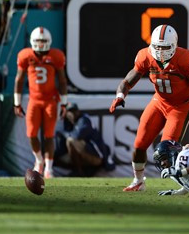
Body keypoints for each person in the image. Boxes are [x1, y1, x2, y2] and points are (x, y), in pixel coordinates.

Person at [109, 24, 189, 191]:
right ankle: (138, 180)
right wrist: (120, 96)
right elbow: (127, 81)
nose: (161, 52)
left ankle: (187, 184)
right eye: (157, 47)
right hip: (159, 102)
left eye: (165, 47)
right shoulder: (145, 56)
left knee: (168, 149)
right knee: (140, 143)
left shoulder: (184, 58)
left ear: (174, 46)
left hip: (181, 106)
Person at [13, 27, 67, 179]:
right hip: (34, 100)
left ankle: (49, 168)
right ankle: (39, 161)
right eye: (38, 41)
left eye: (43, 41)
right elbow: (19, 79)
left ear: (49, 42)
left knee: (49, 135)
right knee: (31, 134)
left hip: (50, 100)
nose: (41, 44)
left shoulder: (56, 56)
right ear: (32, 42)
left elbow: (62, 81)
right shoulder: (25, 55)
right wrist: (17, 103)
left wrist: (64, 103)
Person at [55, 103, 114, 176]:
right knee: (57, 159)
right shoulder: (68, 123)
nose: (73, 114)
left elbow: (77, 136)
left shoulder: (84, 119)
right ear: (66, 113)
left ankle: (78, 171)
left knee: (70, 141)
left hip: (96, 157)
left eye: (74, 111)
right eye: (70, 111)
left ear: (78, 111)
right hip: (83, 155)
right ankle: (83, 171)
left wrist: (64, 133)